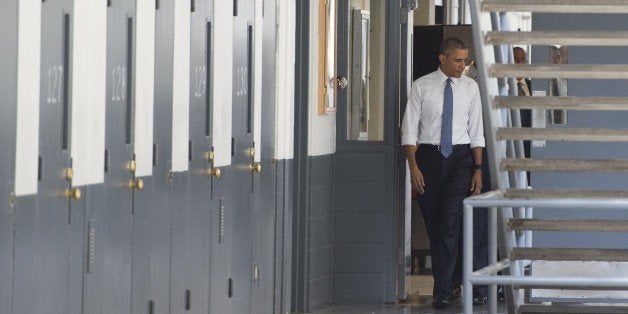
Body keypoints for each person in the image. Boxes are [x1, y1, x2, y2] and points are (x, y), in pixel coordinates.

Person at [401, 37, 485, 309]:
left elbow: (477, 132)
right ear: (442, 59)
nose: (463, 66)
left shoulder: (471, 88)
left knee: (449, 223)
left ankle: (443, 289)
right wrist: (413, 167)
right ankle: (453, 282)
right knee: (435, 224)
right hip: (428, 157)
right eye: (458, 61)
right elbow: (410, 130)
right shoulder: (421, 86)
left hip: (460, 158)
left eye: (466, 60)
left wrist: (478, 169)